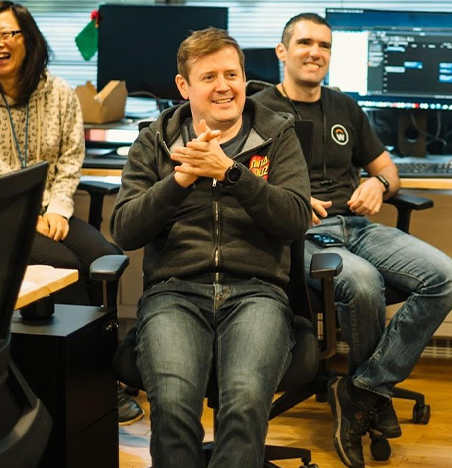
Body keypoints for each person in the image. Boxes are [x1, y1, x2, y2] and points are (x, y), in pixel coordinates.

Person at [252, 13, 452, 468]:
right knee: (364, 283)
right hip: (301, 235)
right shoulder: (259, 109)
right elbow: (244, 182)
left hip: (358, 226)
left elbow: (388, 168)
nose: (315, 52)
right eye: (305, 42)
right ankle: (370, 400)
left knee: (447, 277)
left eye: (324, 45)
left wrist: (379, 186)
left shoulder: (344, 105)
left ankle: (363, 389)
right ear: (282, 52)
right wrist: (288, 199)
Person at [109, 28, 311, 468]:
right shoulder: (155, 140)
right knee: (175, 407)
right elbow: (124, 230)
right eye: (209, 76)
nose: (224, 86)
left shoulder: (277, 135)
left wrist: (231, 173)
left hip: (257, 292)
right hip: (174, 293)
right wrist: (180, 180)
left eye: (232, 74)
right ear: (184, 86)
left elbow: (296, 219)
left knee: (243, 402)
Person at [0, 0, 144, 425]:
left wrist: (57, 207)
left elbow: (71, 159)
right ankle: (87, 380)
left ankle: (106, 367)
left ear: (28, 40)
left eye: (6, 34)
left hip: (51, 211)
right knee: (66, 269)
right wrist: (28, 215)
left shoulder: (59, 92)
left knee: (106, 257)